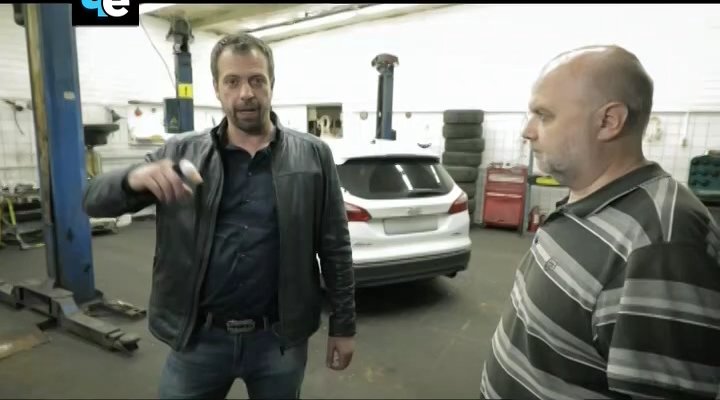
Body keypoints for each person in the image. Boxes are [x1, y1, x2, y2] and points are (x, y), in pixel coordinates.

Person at [83, 32, 357, 399]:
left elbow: (335, 246)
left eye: (256, 80)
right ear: (216, 88)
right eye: (232, 81)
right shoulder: (181, 153)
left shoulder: (313, 155)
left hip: (279, 341)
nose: (246, 93)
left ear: (271, 84)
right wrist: (132, 179)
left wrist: (343, 325)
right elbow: (93, 202)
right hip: (199, 341)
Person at [481, 45, 720, 399]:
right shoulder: (585, 198)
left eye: (544, 116)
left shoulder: (662, 244)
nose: (527, 131)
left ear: (609, 121)